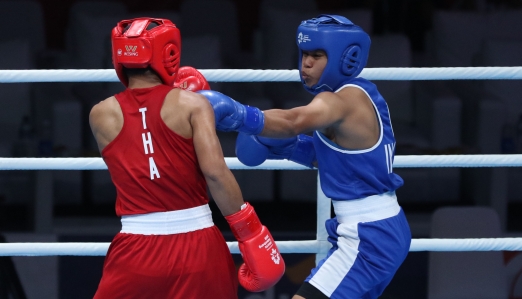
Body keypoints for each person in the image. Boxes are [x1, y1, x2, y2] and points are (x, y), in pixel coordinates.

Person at [199, 15, 411, 299]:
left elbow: (294, 120)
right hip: (378, 228)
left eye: (317, 55)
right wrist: (286, 147)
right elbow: (337, 160)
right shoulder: (363, 94)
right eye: (304, 54)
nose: (306, 63)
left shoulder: (338, 101)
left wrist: (240, 116)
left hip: (367, 236)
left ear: (345, 57)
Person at [89, 17, 284, 299]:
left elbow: (143, 150)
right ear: (169, 52)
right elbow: (215, 174)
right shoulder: (192, 104)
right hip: (198, 245)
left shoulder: (100, 114)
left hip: (136, 250)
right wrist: (251, 235)